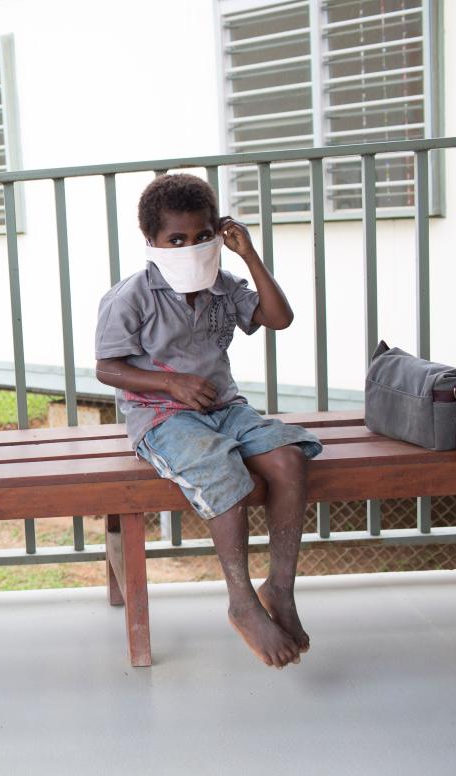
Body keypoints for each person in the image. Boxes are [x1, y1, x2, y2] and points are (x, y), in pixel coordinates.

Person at [94, 173, 322, 670]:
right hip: (160, 417)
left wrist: (249, 255)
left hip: (225, 408)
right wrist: (170, 384)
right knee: (224, 471)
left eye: (201, 236)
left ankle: (279, 587)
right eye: (176, 239)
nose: (191, 246)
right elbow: (106, 367)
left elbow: (278, 318)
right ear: (151, 243)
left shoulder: (224, 285)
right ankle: (241, 601)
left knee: (287, 459)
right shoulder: (131, 296)